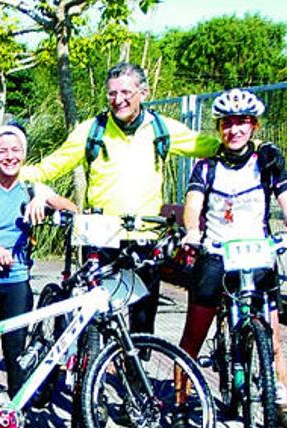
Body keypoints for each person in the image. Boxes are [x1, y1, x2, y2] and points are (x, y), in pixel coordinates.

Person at [20, 62, 220, 340]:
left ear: (144, 93)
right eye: (112, 94)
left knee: (142, 318)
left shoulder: (161, 129)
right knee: (98, 315)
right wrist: (11, 173)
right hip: (103, 236)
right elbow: (51, 166)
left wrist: (257, 148)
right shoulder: (92, 131)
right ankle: (93, 372)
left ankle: (137, 373)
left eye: (126, 92)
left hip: (145, 236)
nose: (118, 100)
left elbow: (209, 145)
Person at [171, 88, 287, 428]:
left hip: (257, 257)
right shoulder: (206, 167)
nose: (234, 129)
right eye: (227, 123)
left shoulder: (267, 159)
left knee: (274, 339)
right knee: (194, 334)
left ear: (253, 125)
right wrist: (192, 232)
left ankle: (282, 410)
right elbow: (193, 206)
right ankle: (178, 406)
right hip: (216, 254)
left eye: (242, 122)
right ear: (219, 127)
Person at [0, 124, 77, 393]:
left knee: (15, 349)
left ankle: (15, 411)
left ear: (23, 154)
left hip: (17, 279)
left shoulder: (32, 187)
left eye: (15, 150)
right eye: (2, 151)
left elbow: (74, 210)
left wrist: (45, 197)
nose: (9, 157)